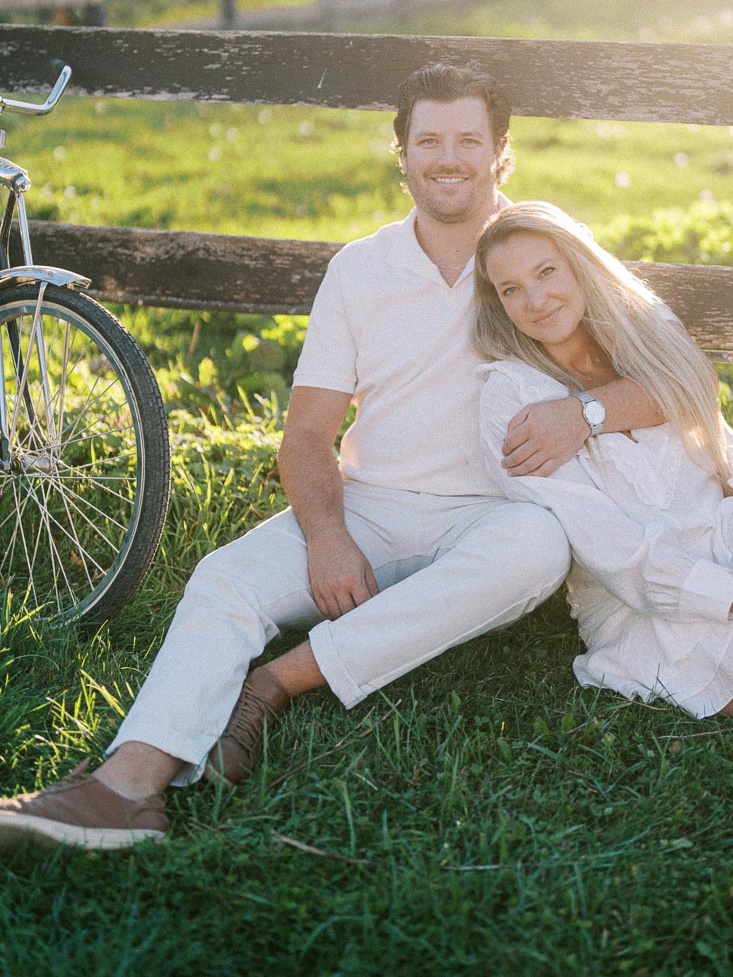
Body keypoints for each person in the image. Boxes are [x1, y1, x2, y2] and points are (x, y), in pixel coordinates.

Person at [0, 65, 596, 852]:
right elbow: (309, 432)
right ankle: (126, 791)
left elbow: (658, 374)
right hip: (371, 504)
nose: (448, 159)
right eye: (429, 141)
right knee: (224, 578)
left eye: (467, 141)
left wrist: (584, 411)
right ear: (403, 154)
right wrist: (327, 535)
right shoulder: (360, 269)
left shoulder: (546, 256)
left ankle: (278, 681)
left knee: (540, 549)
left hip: (495, 516)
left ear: (501, 153)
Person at [474, 200, 733, 736]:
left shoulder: (646, 333)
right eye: (511, 289)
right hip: (655, 611)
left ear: (580, 265)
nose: (535, 300)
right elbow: (612, 552)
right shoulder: (510, 400)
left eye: (546, 271)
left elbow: (719, 448)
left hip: (728, 533)